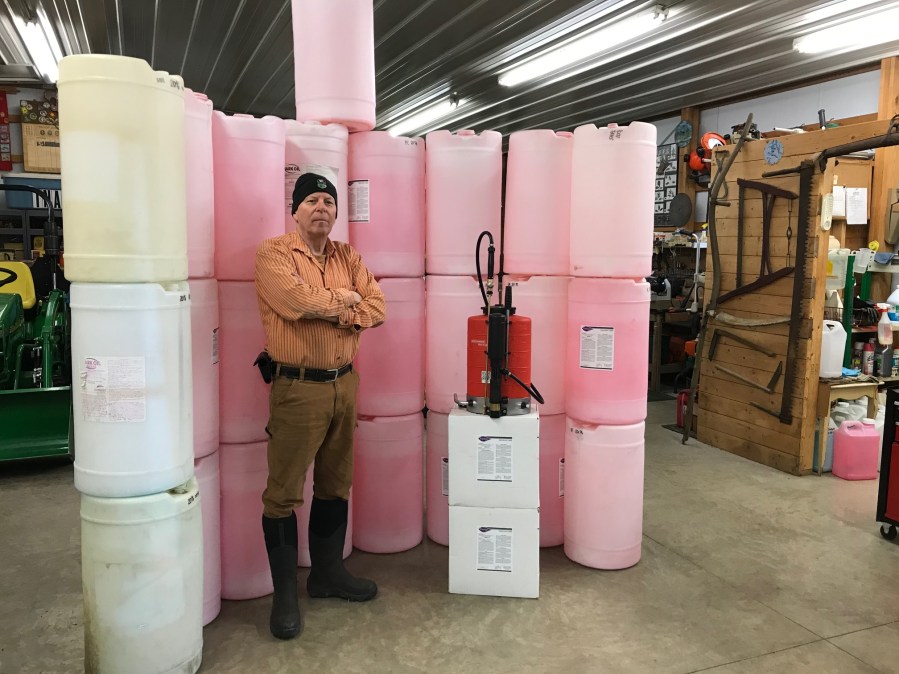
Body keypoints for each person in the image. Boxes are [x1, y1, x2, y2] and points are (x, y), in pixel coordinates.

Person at [254, 172, 386, 640]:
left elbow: (377, 306)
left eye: (328, 202)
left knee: (335, 483)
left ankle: (327, 575)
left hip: (344, 384)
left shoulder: (349, 256)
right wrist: (345, 302)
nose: (321, 208)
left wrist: (335, 307)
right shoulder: (273, 253)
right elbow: (293, 301)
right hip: (298, 388)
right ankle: (285, 596)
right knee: (283, 493)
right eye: (311, 200)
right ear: (295, 210)